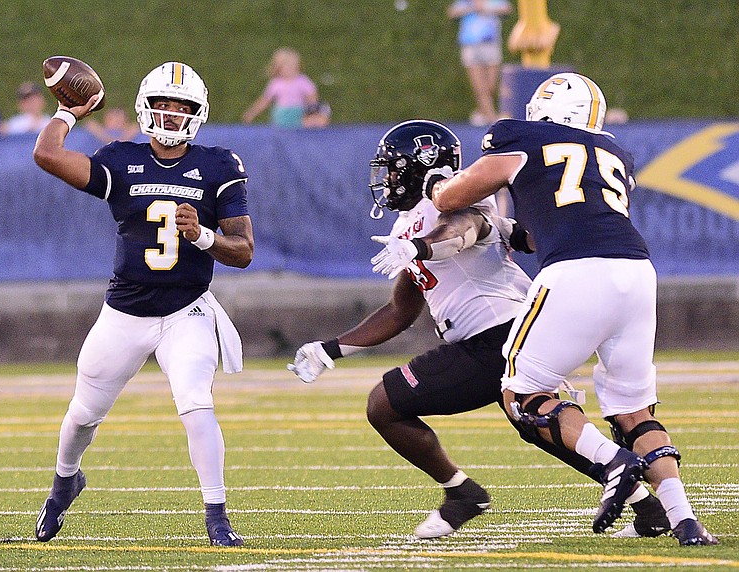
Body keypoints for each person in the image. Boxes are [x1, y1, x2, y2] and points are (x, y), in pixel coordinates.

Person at [288, 119, 670, 539]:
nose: (389, 179)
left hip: (499, 335)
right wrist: (331, 349)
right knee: (541, 427)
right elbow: (401, 310)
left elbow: (463, 230)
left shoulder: (452, 203)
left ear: (423, 165)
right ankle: (648, 505)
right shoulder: (405, 225)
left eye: (395, 168)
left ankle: (463, 494)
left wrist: (419, 246)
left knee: (385, 403)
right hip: (495, 338)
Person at [429, 72, 718, 546]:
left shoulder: (521, 136)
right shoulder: (614, 153)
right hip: (638, 273)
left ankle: (613, 463)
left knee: (521, 395)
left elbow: (456, 196)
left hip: (576, 271)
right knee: (634, 410)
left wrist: (439, 187)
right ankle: (686, 520)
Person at [32, 61, 253, 547]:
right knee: (83, 415)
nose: (172, 115)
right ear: (145, 109)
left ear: (197, 113)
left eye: (182, 107)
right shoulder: (119, 158)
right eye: (163, 105)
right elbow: (47, 154)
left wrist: (203, 235)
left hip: (186, 310)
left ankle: (217, 517)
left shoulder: (219, 165)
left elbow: (243, 252)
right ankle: (64, 483)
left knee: (197, 403)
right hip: (124, 313)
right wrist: (68, 111)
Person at [446, 0, 512, 126]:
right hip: (470, 45)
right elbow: (452, 12)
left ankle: (481, 113)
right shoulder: (466, 2)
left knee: (490, 86)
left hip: (490, 44)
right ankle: (493, 119)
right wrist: (471, 8)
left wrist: (486, 8)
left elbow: (507, 9)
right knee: (480, 87)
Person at [241, 47, 318, 128]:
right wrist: (251, 113)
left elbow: (312, 98)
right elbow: (265, 100)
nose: (291, 69)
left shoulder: (303, 81)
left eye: (294, 66)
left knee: (299, 134)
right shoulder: (276, 83)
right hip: (281, 114)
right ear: (278, 68)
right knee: (280, 133)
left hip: (299, 113)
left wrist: (313, 114)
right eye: (287, 67)